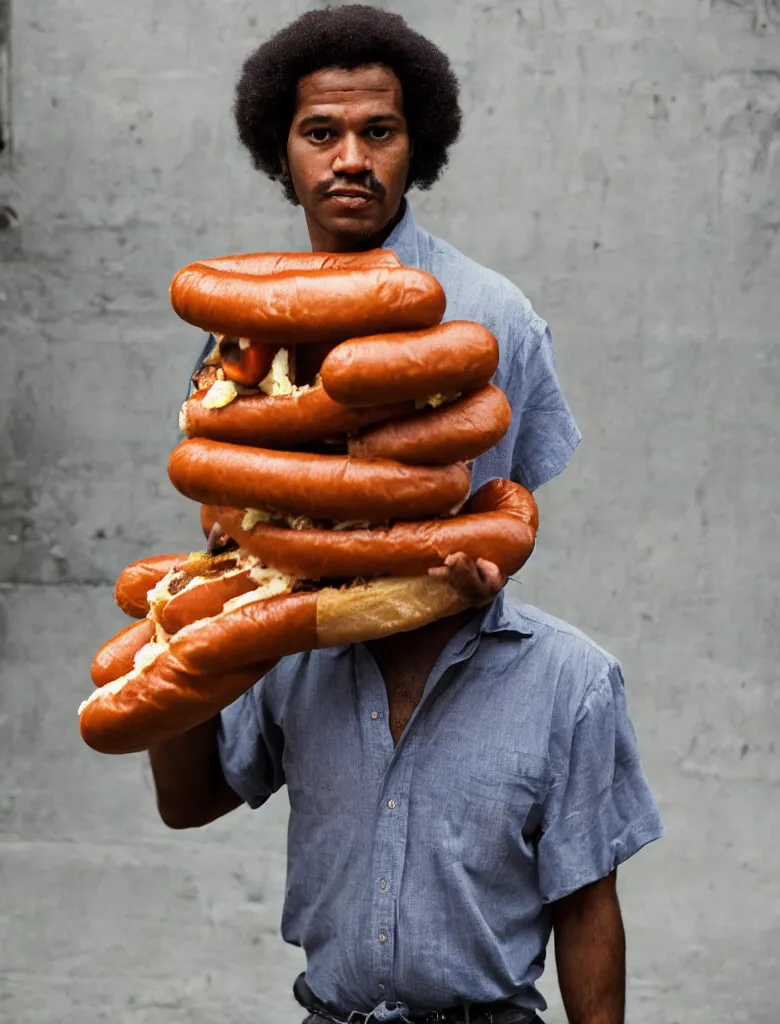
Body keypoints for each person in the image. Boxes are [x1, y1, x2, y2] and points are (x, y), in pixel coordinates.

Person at [152, 7, 663, 1023]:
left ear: (415, 141)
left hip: (466, 641)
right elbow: (235, 521)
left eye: (377, 132)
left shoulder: (494, 315)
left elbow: (510, 504)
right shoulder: (239, 335)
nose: (349, 159)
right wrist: (192, 633)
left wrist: (452, 555)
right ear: (282, 151)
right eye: (320, 133)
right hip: (312, 629)